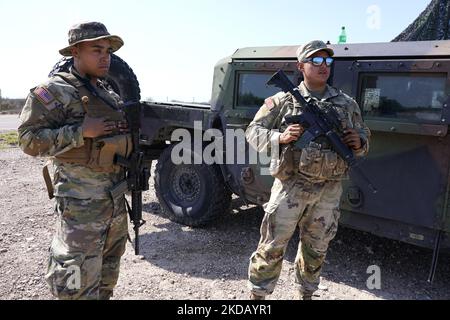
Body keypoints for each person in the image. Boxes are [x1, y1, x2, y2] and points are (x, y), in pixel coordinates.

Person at [246, 40, 371, 300]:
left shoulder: (346, 103)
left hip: (328, 190)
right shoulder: (282, 100)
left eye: (327, 61)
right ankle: (257, 298)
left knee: (316, 248)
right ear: (300, 66)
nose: (323, 66)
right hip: (291, 186)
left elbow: (362, 135)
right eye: (316, 61)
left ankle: (306, 294)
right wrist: (280, 137)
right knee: (271, 246)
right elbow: (252, 132)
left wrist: (359, 142)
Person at [18, 22, 132, 300]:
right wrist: (81, 132)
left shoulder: (107, 93)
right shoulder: (52, 91)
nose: (106, 57)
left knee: (106, 277)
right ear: (75, 51)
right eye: (97, 50)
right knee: (74, 283)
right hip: (81, 207)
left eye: (107, 51)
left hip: (113, 202)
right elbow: (27, 140)